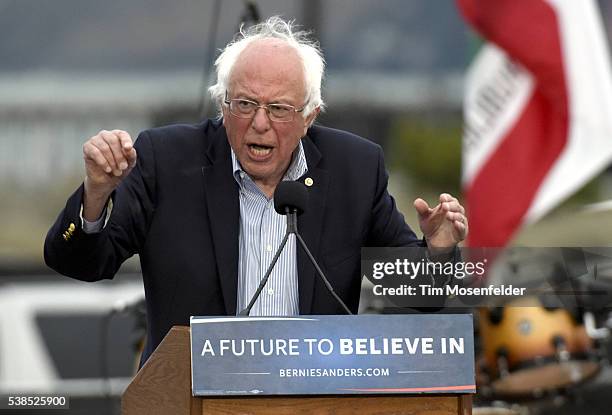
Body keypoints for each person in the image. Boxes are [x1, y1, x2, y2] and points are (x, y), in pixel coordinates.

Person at [44, 16, 468, 364]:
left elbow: (419, 297)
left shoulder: (354, 169)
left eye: (279, 108)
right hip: (190, 397)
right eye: (244, 104)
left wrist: (439, 251)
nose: (259, 123)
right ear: (222, 104)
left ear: (309, 116)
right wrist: (96, 195)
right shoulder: (166, 161)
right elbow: (79, 262)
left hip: (315, 399)